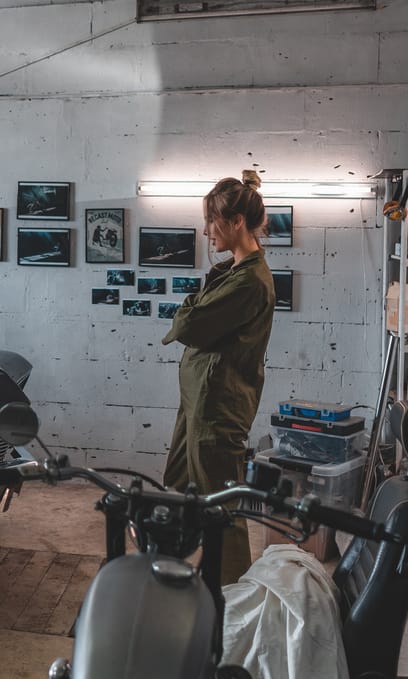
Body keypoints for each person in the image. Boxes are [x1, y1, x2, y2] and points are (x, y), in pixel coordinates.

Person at [161, 169, 275, 586]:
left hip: (217, 405)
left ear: (237, 222)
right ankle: (168, 568)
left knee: (221, 505)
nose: (207, 230)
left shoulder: (248, 280)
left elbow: (188, 325)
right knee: (177, 487)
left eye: (213, 221)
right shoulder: (233, 271)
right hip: (200, 400)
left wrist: (188, 307)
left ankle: (230, 594)